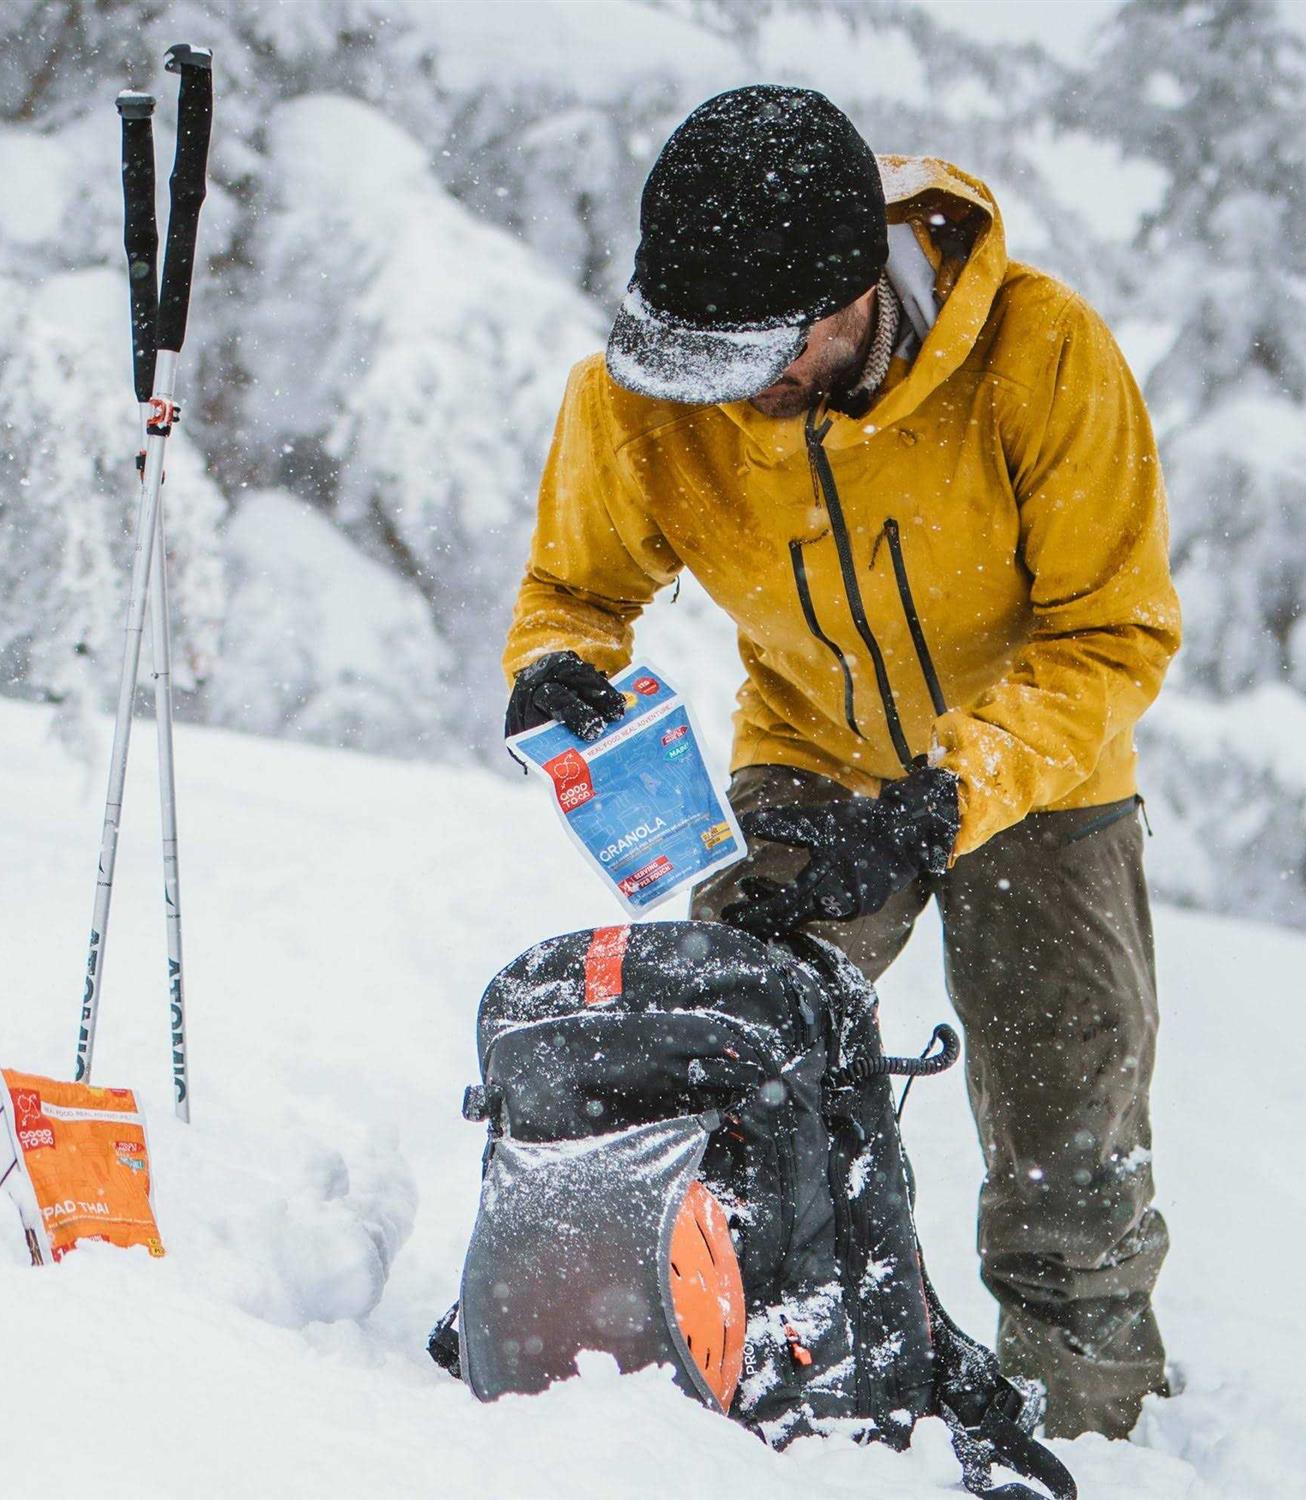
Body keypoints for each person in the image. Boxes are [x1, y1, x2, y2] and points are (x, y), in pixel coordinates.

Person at [501, 84, 1181, 1441]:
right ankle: (747, 1377)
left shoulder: (1043, 359)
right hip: (808, 760)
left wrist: (956, 793)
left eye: (750, 356)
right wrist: (552, 666)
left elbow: (1115, 635)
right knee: (733, 1068)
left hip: (1040, 777)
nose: (720, 393)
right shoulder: (649, 394)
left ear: (847, 297)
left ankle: (1086, 1424)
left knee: (1068, 1150)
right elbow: (575, 589)